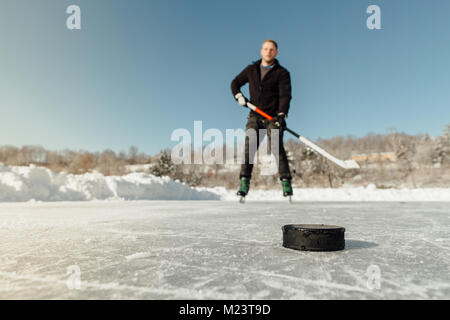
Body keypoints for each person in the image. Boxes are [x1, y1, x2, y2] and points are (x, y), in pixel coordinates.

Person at [231, 39, 293, 198]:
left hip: (273, 117)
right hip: (255, 115)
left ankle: (286, 182)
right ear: (261, 51)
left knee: (276, 146)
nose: (268, 52)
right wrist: (239, 96)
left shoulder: (282, 73)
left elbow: (285, 96)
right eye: (266, 49)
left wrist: (281, 115)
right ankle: (244, 182)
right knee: (249, 147)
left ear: (276, 52)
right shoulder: (251, 69)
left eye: (272, 49)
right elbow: (235, 83)